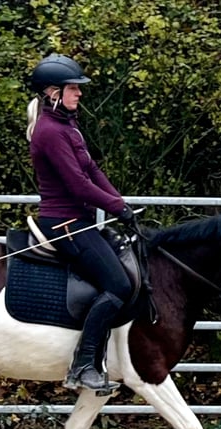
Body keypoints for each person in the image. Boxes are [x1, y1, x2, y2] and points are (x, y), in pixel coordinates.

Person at [26, 53, 135, 393]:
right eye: (73, 88)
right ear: (52, 93)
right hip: (64, 223)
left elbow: (92, 171)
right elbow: (77, 186)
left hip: (80, 220)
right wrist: (116, 207)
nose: (79, 94)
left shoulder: (67, 126)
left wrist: (121, 203)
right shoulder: (50, 131)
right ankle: (84, 364)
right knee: (119, 285)